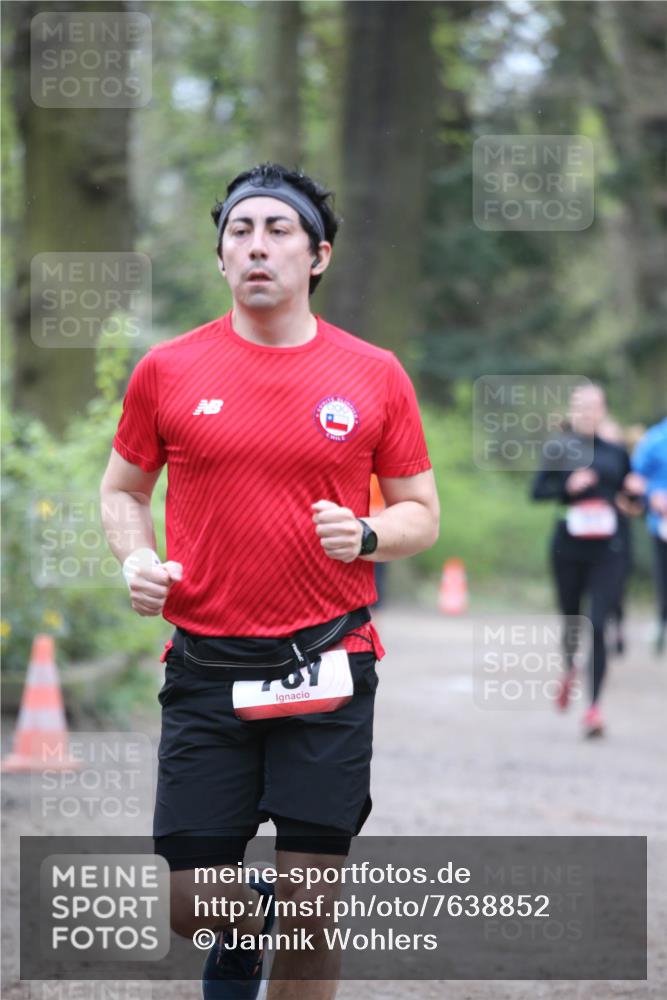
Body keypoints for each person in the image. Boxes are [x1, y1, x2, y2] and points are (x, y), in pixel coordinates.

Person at [99, 162, 439, 1000]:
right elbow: (121, 490)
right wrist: (136, 558)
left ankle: (284, 923)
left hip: (326, 661)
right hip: (208, 665)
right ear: (220, 260)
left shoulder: (373, 373)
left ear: (316, 256)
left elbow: (420, 513)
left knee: (313, 909)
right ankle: (245, 929)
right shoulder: (168, 372)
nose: (256, 246)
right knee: (190, 905)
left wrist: (364, 532)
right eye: (238, 233)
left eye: (276, 230)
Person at [531, 384, 636, 737]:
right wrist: (568, 487)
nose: (587, 412)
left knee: (599, 623)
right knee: (573, 619)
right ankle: (570, 667)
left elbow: (629, 497)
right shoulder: (559, 448)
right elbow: (537, 492)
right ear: (573, 410)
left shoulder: (616, 451)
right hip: (569, 547)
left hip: (610, 547)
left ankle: (593, 708)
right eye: (581, 406)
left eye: (593, 406)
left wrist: (635, 494)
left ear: (602, 410)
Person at [632, 416, 667, 654]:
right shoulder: (655, 438)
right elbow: (634, 478)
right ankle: (661, 621)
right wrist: (653, 494)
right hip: (662, 523)